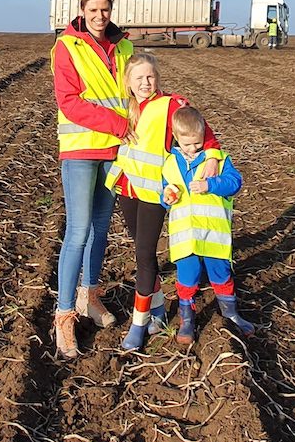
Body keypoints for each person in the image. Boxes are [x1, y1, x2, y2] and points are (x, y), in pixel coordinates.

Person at [107, 52, 219, 354]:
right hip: (128, 187)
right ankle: (157, 311)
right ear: (128, 82)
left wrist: (211, 156)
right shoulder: (125, 108)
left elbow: (204, 134)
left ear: (157, 78)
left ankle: (138, 324)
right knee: (142, 252)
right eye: (139, 77)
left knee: (144, 255)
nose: (146, 82)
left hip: (155, 192)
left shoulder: (171, 105)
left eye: (151, 76)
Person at [52, 0, 131, 358]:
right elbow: (70, 102)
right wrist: (119, 125)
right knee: (79, 230)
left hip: (114, 153)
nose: (100, 15)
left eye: (105, 9)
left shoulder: (125, 46)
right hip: (82, 150)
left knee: (102, 228)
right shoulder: (67, 46)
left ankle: (89, 296)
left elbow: (137, 94)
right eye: (93, 9)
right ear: (82, 11)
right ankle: (63, 316)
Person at [160, 106, 250, 346]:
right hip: (185, 237)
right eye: (187, 144)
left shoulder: (218, 159)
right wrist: (167, 195)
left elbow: (234, 183)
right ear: (176, 138)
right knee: (187, 277)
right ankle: (187, 318)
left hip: (213, 235)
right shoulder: (169, 163)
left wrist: (211, 185)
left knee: (220, 273)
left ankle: (230, 313)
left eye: (198, 144)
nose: (193, 149)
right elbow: (164, 189)